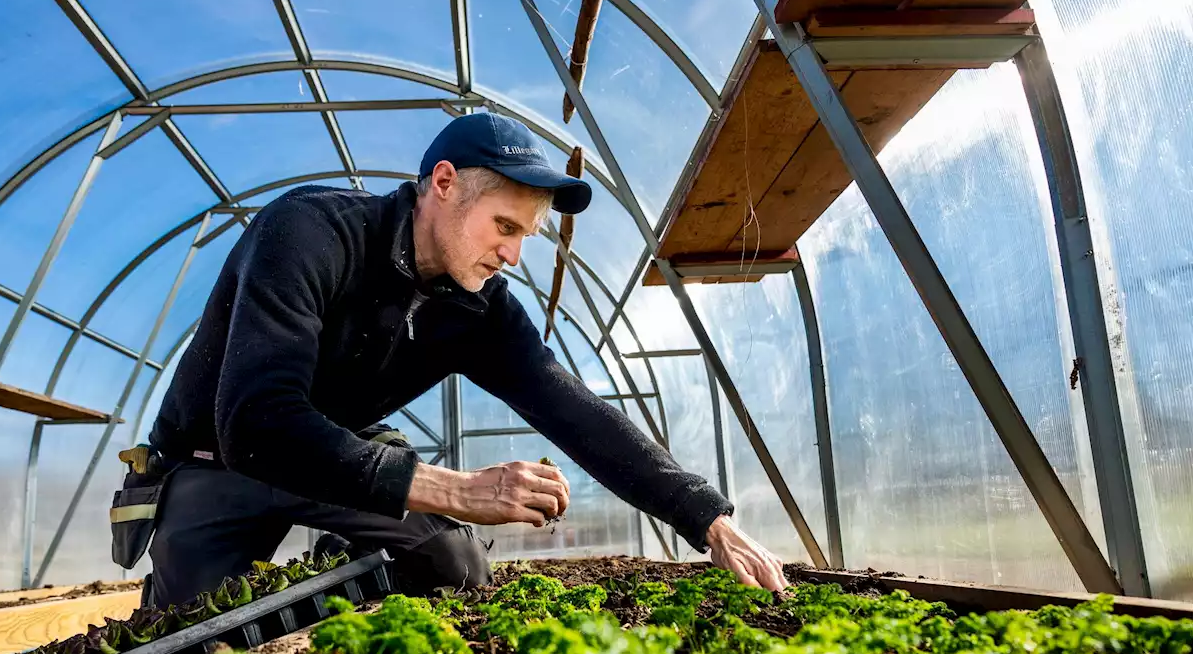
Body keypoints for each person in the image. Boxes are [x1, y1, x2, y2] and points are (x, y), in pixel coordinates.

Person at [111, 112, 788, 608]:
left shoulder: (475, 307)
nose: (513, 255)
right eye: (504, 226)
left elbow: (574, 410)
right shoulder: (311, 233)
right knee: (192, 630)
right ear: (443, 183)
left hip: (340, 454)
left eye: (526, 235)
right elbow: (259, 421)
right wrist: (459, 491)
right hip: (224, 457)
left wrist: (708, 520)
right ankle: (196, 574)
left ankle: (339, 557)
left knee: (455, 566)